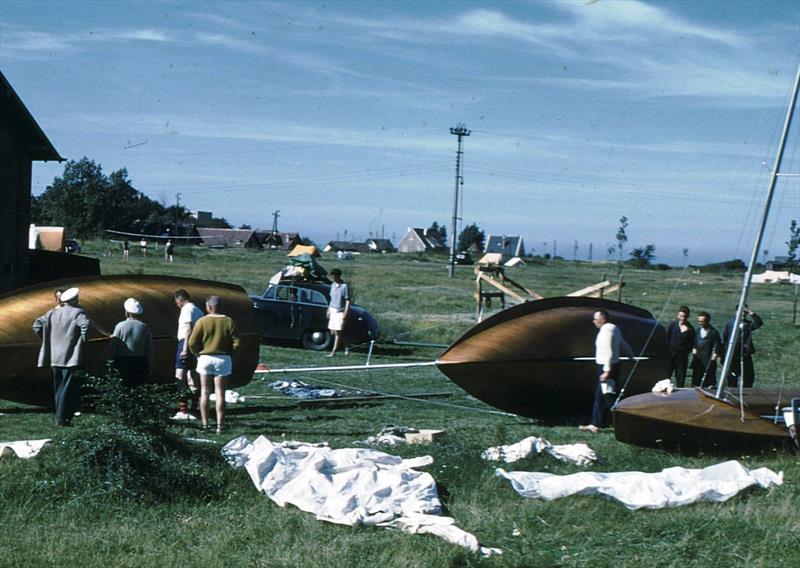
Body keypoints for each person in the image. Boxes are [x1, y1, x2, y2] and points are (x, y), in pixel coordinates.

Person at [32, 287, 91, 426]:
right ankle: (62, 418)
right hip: (71, 357)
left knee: (58, 388)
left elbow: (36, 325)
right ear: (76, 300)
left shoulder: (52, 313)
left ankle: (60, 416)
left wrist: (47, 339)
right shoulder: (78, 313)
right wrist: (83, 341)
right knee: (67, 388)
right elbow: (85, 327)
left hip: (54, 357)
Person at [188, 295, 240, 433]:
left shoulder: (202, 321)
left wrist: (197, 353)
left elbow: (192, 342)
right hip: (223, 358)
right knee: (220, 393)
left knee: (204, 392)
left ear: (208, 307)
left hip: (205, 357)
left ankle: (205, 425)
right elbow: (237, 342)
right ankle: (219, 426)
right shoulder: (229, 321)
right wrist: (231, 355)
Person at [581, 309, 631, 433]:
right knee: (603, 396)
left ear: (602, 319)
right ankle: (600, 423)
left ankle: (620, 423)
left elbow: (609, 351)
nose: (593, 321)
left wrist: (606, 371)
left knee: (606, 397)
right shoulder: (614, 328)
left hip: (607, 367)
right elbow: (624, 344)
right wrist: (631, 356)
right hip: (612, 366)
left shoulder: (606, 331)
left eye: (595, 319)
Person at [109, 298, 154, 387]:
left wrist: (111, 363)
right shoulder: (145, 327)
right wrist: (149, 365)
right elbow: (150, 350)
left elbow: (113, 347)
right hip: (140, 362)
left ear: (127, 312)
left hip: (123, 362)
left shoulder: (120, 326)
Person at [174, 289, 204, 414]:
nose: (177, 304)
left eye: (177, 301)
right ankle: (194, 407)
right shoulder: (198, 311)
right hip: (197, 344)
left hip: (185, 343)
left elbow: (188, 329)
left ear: (180, 299)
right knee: (192, 376)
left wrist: (185, 348)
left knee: (180, 374)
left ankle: (183, 410)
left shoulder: (186, 310)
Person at [722, 305, 763, 387]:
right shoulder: (730, 324)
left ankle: (746, 393)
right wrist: (723, 355)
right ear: (736, 312)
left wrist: (751, 312)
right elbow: (724, 339)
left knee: (748, 376)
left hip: (745, 354)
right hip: (733, 354)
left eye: (745, 312)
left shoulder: (748, 324)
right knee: (732, 376)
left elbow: (759, 323)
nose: (743, 314)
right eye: (741, 311)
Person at [690, 311, 722, 388]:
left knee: (708, 381)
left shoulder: (714, 333)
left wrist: (714, 358)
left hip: (708, 360)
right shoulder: (697, 331)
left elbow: (717, 347)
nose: (700, 323)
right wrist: (694, 351)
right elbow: (694, 344)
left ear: (707, 321)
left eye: (702, 321)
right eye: (699, 321)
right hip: (698, 360)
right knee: (696, 381)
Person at [667, 305, 695, 388]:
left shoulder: (690, 329)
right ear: (678, 316)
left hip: (682, 358)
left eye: (685, 316)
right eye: (681, 316)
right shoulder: (673, 325)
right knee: (666, 376)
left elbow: (691, 344)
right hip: (671, 355)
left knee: (680, 378)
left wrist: (685, 352)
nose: (683, 318)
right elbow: (667, 338)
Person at [326, 268, 350, 357]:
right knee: (333, 332)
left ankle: (334, 351)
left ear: (339, 276)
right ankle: (347, 345)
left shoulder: (344, 286)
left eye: (335, 276)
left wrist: (345, 312)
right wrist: (328, 309)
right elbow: (331, 299)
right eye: (333, 276)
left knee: (338, 332)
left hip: (340, 311)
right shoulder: (332, 285)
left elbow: (347, 300)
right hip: (332, 310)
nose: (334, 277)